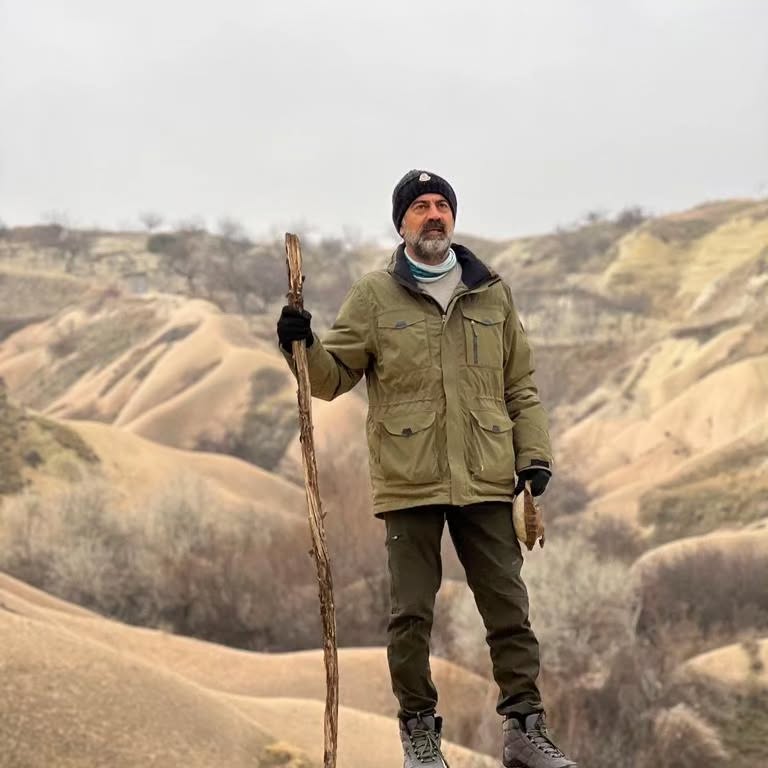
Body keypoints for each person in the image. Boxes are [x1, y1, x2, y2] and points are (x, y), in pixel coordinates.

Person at [277, 170, 577, 768]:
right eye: (421, 207)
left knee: (508, 608)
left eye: (442, 205)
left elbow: (520, 384)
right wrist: (300, 346)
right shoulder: (373, 295)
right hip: (409, 480)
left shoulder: (492, 291)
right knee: (411, 613)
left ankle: (525, 730)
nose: (434, 215)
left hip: (487, 475)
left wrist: (534, 457)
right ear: (402, 223)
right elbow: (333, 378)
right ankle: (420, 739)